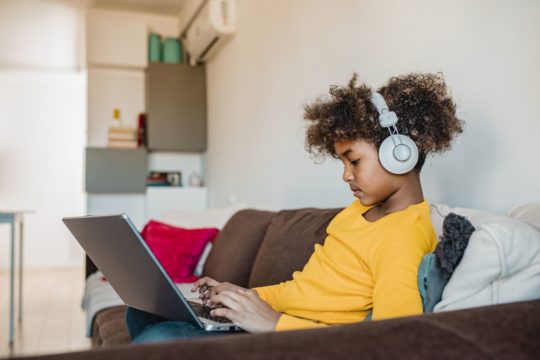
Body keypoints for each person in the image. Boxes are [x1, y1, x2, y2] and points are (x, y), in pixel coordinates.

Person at [126, 72, 464, 343]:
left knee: (160, 337)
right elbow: (302, 290)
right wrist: (242, 298)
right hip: (274, 327)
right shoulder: (356, 212)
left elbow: (391, 341)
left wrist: (273, 324)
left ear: (400, 152)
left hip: (297, 343)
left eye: (354, 160)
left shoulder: (401, 236)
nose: (346, 175)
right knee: (142, 311)